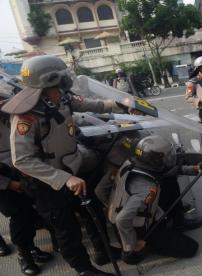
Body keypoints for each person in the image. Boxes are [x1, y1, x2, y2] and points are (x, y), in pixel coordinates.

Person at [2, 55, 126, 276]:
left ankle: (102, 251)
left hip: (71, 169)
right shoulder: (26, 116)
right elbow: (22, 159)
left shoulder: (62, 98)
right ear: (48, 82)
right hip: (47, 181)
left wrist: (121, 104)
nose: (64, 84)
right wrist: (65, 179)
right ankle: (83, 269)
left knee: (92, 211)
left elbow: (91, 104)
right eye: (60, 81)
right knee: (66, 227)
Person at [107, 134, 201, 264]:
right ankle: (148, 246)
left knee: (169, 180)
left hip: (128, 220)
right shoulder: (146, 187)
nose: (168, 158)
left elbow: (165, 172)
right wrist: (131, 245)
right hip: (136, 230)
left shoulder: (132, 163)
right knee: (191, 248)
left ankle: (176, 221)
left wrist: (194, 169)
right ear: (154, 161)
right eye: (164, 157)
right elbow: (122, 219)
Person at [0, 101, 54, 276]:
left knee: (32, 214)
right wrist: (8, 183)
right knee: (19, 216)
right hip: (5, 179)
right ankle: (24, 255)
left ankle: (31, 248)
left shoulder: (11, 113)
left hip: (24, 171)